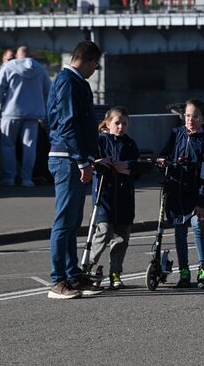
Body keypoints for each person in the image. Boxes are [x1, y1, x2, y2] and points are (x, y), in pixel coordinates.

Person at [46, 40, 104, 300]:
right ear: (90, 60)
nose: (95, 70)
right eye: (96, 65)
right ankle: (58, 280)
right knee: (64, 221)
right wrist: (82, 160)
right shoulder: (69, 82)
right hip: (67, 158)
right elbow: (68, 124)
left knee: (71, 222)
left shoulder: (72, 81)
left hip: (72, 157)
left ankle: (72, 275)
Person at [157, 99, 204, 289]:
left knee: (197, 226)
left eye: (196, 117)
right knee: (179, 232)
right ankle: (184, 272)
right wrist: (162, 160)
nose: (191, 120)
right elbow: (165, 153)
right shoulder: (177, 134)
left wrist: (202, 200)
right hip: (175, 192)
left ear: (203, 120)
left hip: (194, 193)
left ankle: (203, 269)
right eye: (188, 116)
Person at [86, 107, 145, 290]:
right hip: (104, 196)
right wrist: (99, 164)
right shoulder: (100, 141)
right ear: (108, 123)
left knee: (121, 237)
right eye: (117, 123)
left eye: (124, 123)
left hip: (124, 197)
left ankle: (115, 272)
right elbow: (91, 161)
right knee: (103, 232)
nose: (121, 127)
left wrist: (127, 166)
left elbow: (137, 166)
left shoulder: (129, 144)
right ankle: (86, 267)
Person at [0, 46, 51, 187]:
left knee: (8, 145)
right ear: (30, 55)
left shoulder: (8, 67)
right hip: (33, 114)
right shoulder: (40, 69)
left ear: (18, 55)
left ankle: (10, 178)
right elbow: (49, 90)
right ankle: (27, 179)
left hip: (11, 113)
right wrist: (44, 107)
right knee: (30, 147)